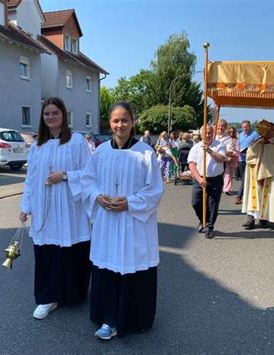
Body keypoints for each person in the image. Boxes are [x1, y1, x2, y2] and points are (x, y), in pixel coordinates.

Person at [81, 101, 164, 340]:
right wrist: (97, 196)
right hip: (107, 220)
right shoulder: (100, 152)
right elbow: (87, 181)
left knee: (131, 263)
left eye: (124, 120)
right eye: (116, 120)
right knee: (108, 264)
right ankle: (107, 318)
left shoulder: (145, 153)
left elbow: (154, 189)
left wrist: (129, 202)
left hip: (134, 222)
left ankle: (135, 318)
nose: (120, 125)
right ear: (110, 123)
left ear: (132, 122)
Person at [19, 97, 92, 319]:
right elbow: (30, 179)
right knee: (47, 254)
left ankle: (73, 294)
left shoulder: (77, 142)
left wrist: (66, 176)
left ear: (63, 115)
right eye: (47, 114)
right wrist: (26, 206)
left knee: (70, 252)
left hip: (70, 208)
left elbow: (90, 174)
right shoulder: (37, 146)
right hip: (44, 208)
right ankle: (47, 298)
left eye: (55, 113)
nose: (51, 117)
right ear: (43, 118)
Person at [241, 120, 274, 229]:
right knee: (253, 195)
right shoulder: (257, 141)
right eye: (264, 130)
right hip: (256, 172)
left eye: (270, 130)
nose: (267, 132)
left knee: (270, 196)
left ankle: (264, 219)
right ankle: (250, 219)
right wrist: (258, 145)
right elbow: (250, 155)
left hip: (273, 173)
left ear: (273, 130)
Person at [188, 125, 227, 239]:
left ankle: (210, 226)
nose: (208, 135)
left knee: (212, 204)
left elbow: (221, 158)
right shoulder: (195, 148)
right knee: (196, 202)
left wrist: (209, 151)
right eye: (206, 133)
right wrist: (199, 179)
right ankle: (203, 220)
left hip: (215, 179)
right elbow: (192, 165)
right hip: (199, 179)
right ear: (201, 134)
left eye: (210, 133)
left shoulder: (219, 145)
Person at [236, 120, 259, 204]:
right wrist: (238, 149)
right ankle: (246, 195)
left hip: (251, 159)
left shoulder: (255, 134)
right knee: (244, 179)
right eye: (243, 127)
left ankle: (239, 196)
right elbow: (238, 144)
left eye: (246, 127)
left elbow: (258, 145)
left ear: (250, 126)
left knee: (246, 179)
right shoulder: (241, 135)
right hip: (241, 159)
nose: (245, 128)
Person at [223, 126, 239, 194]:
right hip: (226, 158)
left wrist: (234, 153)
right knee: (227, 174)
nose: (231, 132)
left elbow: (237, 149)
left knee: (231, 174)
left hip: (234, 158)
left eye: (233, 131)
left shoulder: (236, 139)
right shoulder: (226, 139)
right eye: (230, 131)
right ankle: (226, 188)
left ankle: (228, 188)